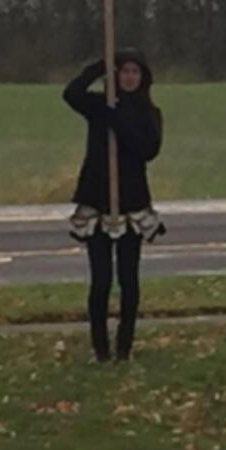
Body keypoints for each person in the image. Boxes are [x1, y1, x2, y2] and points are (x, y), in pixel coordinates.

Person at [63, 48, 163, 362]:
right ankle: (100, 350)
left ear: (142, 77)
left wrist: (117, 121)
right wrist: (99, 66)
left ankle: (124, 348)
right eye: (124, 71)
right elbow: (71, 93)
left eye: (135, 72)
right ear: (116, 75)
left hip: (131, 202)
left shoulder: (149, 112)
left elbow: (148, 149)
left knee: (128, 280)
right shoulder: (99, 106)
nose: (129, 77)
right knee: (101, 280)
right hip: (97, 200)